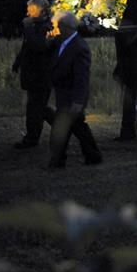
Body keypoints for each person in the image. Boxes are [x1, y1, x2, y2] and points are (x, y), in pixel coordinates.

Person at [47, 11, 103, 168]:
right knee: (78, 127)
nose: (54, 29)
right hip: (63, 94)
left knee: (61, 129)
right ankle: (93, 155)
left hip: (71, 96)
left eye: (56, 26)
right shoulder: (61, 42)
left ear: (64, 27)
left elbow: (81, 77)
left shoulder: (79, 47)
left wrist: (78, 101)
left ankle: (57, 161)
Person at [12, 0, 55, 149]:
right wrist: (17, 63)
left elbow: (38, 46)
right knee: (37, 107)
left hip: (42, 74)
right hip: (32, 73)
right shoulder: (34, 25)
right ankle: (36, 136)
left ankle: (33, 138)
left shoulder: (49, 26)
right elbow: (27, 47)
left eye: (31, 10)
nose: (27, 13)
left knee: (36, 108)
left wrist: (28, 27)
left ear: (41, 10)